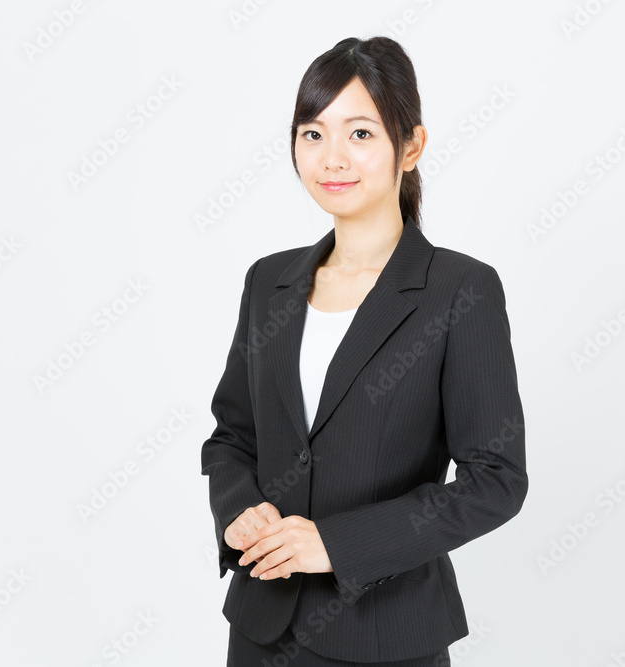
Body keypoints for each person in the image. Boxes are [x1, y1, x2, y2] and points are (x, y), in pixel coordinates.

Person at [200, 36, 529, 666]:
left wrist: (337, 545)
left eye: (360, 133)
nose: (331, 158)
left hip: (386, 637)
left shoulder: (460, 290)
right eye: (312, 133)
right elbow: (232, 439)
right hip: (260, 631)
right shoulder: (268, 283)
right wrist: (239, 512)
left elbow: (496, 481)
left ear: (411, 147)